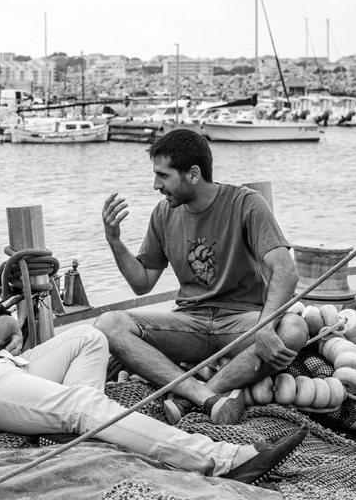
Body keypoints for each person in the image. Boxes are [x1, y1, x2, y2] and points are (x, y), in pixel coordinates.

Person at [0, 169, 308, 485]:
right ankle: (223, 459)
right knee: (83, 407)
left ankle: (89, 421)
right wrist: (6, 323)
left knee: (90, 335)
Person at [96, 129, 308, 426]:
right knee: (108, 324)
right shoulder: (162, 214)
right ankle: (204, 396)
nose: (156, 185)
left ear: (193, 174)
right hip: (189, 324)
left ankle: (198, 395)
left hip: (242, 324)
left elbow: (285, 270)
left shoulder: (247, 203)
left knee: (294, 329)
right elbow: (142, 282)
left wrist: (264, 327)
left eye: (163, 175)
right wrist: (114, 241)